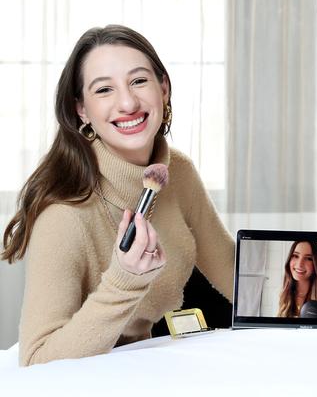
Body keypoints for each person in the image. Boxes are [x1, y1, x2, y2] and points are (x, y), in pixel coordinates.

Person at [1, 25, 235, 366]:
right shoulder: (64, 214)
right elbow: (37, 360)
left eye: (139, 81)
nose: (127, 102)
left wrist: (315, 305)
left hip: (149, 361)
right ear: (82, 110)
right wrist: (124, 280)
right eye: (104, 89)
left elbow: (230, 269)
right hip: (89, 376)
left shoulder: (178, 172)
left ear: (163, 88)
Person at [277, 240, 317, 317]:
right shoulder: (279, 294)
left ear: (316, 264)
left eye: (308, 258)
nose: (300, 264)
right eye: (296, 256)